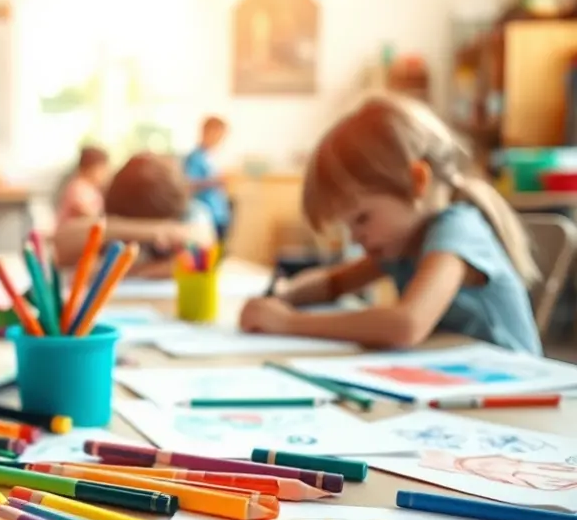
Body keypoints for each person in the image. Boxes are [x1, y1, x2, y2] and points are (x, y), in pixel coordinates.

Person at [239, 95, 541, 353]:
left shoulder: (457, 231)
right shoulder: (402, 244)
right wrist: (286, 294)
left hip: (523, 399)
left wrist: (288, 323)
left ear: (417, 182)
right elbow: (334, 283)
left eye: (362, 218)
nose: (356, 238)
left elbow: (406, 324)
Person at [54, 152, 216, 276]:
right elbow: (61, 246)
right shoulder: (121, 206)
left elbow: (204, 247)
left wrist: (130, 271)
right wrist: (153, 230)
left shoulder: (189, 210)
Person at [184, 116, 231, 240]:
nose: (219, 139)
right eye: (216, 134)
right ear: (205, 132)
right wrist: (215, 182)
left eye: (221, 136)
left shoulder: (212, 157)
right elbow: (188, 184)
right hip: (205, 214)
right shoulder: (195, 157)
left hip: (218, 213)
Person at [56, 145, 110, 228]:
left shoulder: (92, 188)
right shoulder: (78, 187)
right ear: (91, 168)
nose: (105, 174)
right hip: (71, 235)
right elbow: (83, 211)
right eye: (102, 169)